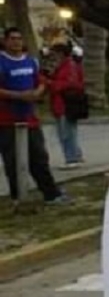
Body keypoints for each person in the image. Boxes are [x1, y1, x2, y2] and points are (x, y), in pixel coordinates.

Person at [0, 27, 68, 204]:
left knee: (39, 157)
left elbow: (41, 82)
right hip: (7, 120)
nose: (16, 42)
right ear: (5, 41)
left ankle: (51, 194)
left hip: (30, 119)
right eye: (12, 39)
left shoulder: (30, 62)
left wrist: (37, 93)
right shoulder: (2, 62)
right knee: (13, 161)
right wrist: (18, 96)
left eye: (19, 39)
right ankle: (18, 196)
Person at [46, 42, 86, 168]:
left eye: (54, 54)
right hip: (62, 103)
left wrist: (50, 83)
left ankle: (71, 158)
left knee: (66, 133)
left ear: (61, 54)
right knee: (69, 131)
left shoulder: (69, 67)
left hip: (66, 104)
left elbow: (69, 84)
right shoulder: (65, 66)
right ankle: (76, 155)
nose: (52, 57)